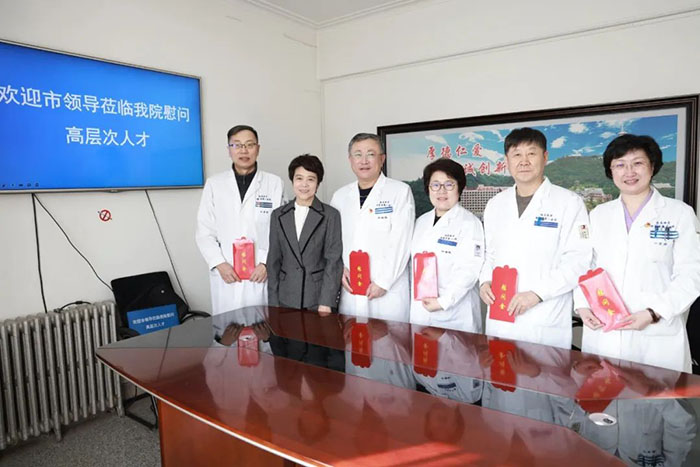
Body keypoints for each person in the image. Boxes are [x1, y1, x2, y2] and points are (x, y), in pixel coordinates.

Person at [573, 134, 700, 372]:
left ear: (652, 166)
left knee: (656, 392)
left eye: (638, 163)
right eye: (620, 165)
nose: (629, 172)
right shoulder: (598, 214)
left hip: (656, 333)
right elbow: (585, 265)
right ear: (611, 171)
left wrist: (654, 312)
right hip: (605, 328)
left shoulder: (679, 214)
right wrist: (582, 305)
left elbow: (692, 274)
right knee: (605, 391)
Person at [479, 127, 591, 349]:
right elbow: (490, 252)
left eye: (531, 153)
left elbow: (579, 260)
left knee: (543, 369)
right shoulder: (496, 204)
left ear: (545, 157)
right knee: (501, 368)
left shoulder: (569, 202)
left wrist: (537, 294)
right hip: (501, 316)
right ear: (507, 161)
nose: (524, 161)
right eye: (516, 154)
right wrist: (484, 281)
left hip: (544, 316)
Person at [196, 125, 284, 314]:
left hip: (260, 273)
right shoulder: (214, 184)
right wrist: (219, 263)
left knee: (261, 325)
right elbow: (204, 231)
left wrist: (266, 263)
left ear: (258, 149)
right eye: (237, 145)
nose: (244, 151)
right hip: (227, 273)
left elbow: (280, 231)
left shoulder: (274, 183)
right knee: (228, 327)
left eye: (249, 145)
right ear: (229, 150)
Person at [330, 133, 415, 322]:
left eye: (371, 154)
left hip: (388, 293)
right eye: (358, 154)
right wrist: (339, 269)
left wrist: (384, 282)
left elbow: (401, 241)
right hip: (351, 288)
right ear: (350, 160)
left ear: (382, 159)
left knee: (388, 339)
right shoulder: (340, 196)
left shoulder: (399, 191)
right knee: (353, 337)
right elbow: (332, 242)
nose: (364, 161)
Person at [410, 158, 484, 332]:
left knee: (454, 349)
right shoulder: (421, 222)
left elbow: (470, 269)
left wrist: (443, 301)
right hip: (421, 310)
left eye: (449, 184)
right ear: (428, 188)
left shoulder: (470, 223)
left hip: (455, 314)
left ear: (459, 188)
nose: (441, 191)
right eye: (435, 185)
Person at [267, 154, 343, 314]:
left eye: (311, 179)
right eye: (299, 178)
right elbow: (273, 261)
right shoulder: (278, 215)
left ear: (318, 183)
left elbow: (333, 261)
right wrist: (273, 302)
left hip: (316, 299)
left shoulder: (330, 215)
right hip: (285, 298)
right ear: (292, 181)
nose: (304, 184)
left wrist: (326, 302)